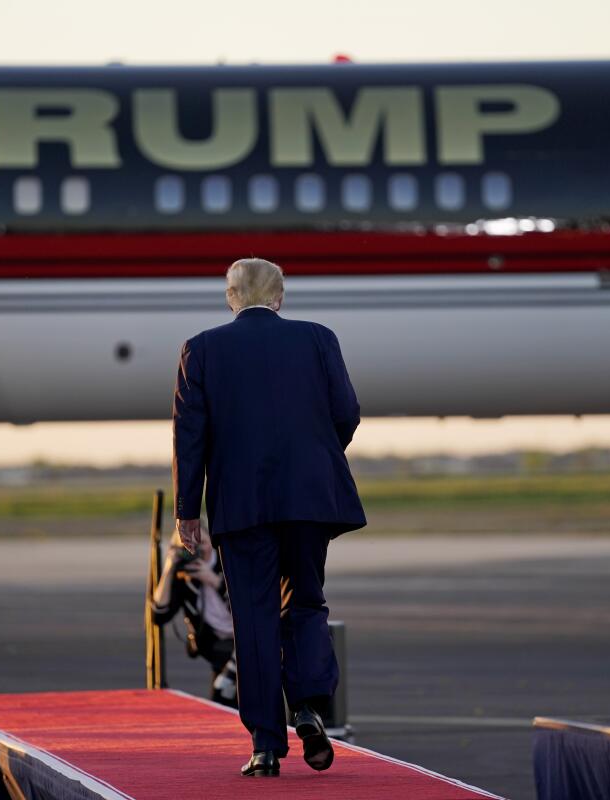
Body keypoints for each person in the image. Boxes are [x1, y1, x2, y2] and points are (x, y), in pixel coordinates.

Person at [172, 257, 365, 778]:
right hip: (309, 501)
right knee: (305, 601)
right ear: (279, 298)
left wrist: (188, 513)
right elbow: (346, 412)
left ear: (230, 298)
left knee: (254, 619)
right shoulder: (319, 338)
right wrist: (318, 459)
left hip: (241, 507)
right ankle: (307, 706)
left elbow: (191, 438)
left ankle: (263, 746)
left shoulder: (202, 349)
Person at [151, 524, 238, 708]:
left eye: (202, 543)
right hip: (217, 647)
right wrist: (169, 569)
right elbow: (159, 616)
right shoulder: (184, 578)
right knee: (223, 702)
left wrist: (216, 581)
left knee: (227, 697)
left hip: (247, 641)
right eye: (188, 546)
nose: (196, 550)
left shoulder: (228, 563)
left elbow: (248, 607)